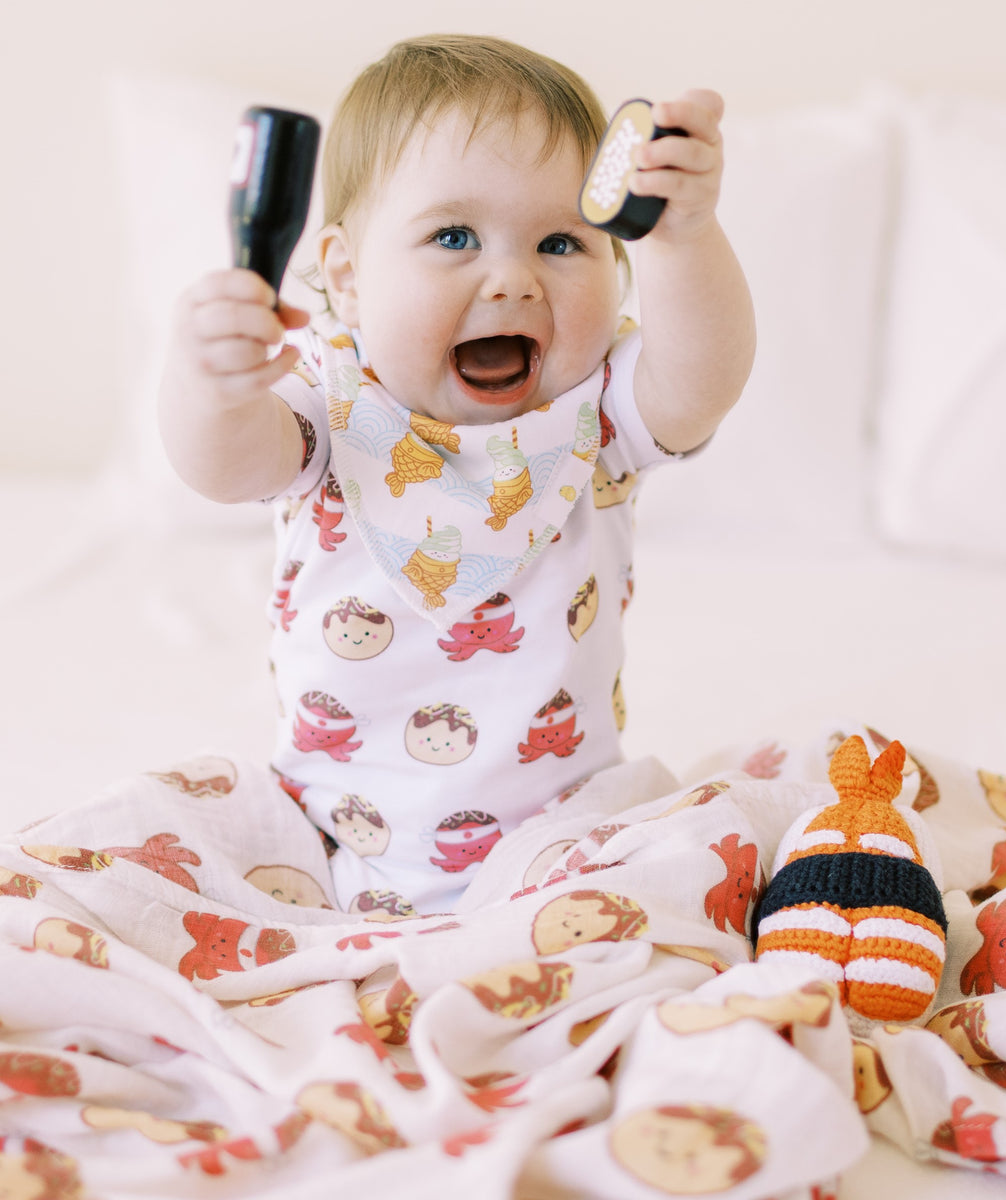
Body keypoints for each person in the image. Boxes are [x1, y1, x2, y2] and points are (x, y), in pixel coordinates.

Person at [158, 33, 755, 915]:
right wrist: (206, 383)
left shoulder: (599, 416)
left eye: (562, 242)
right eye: (453, 236)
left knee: (700, 885)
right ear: (349, 278)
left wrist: (685, 236)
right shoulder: (330, 403)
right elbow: (223, 463)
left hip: (565, 843)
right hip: (327, 834)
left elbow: (705, 379)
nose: (512, 278)